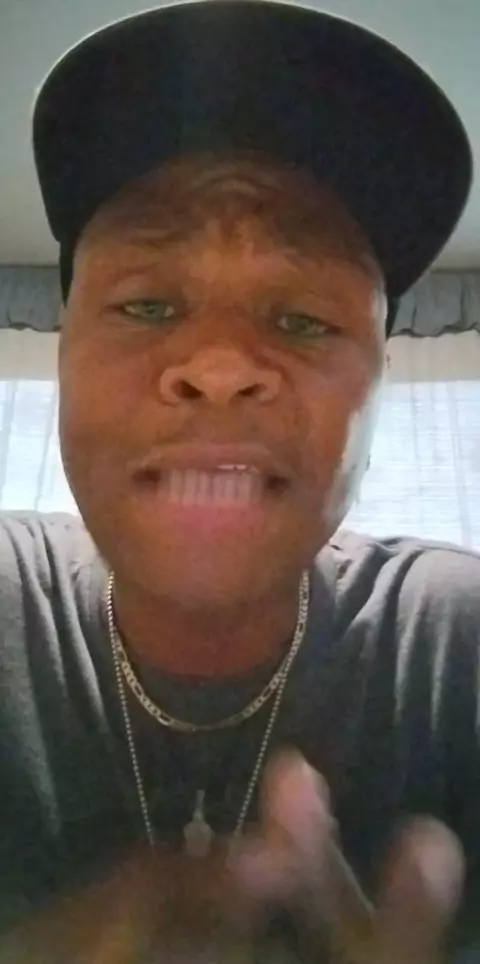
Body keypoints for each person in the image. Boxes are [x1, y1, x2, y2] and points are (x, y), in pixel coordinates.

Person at [0, 1, 478, 961]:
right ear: (61, 353)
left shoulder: (454, 649)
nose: (219, 366)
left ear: (381, 385)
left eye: (303, 321)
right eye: (146, 304)